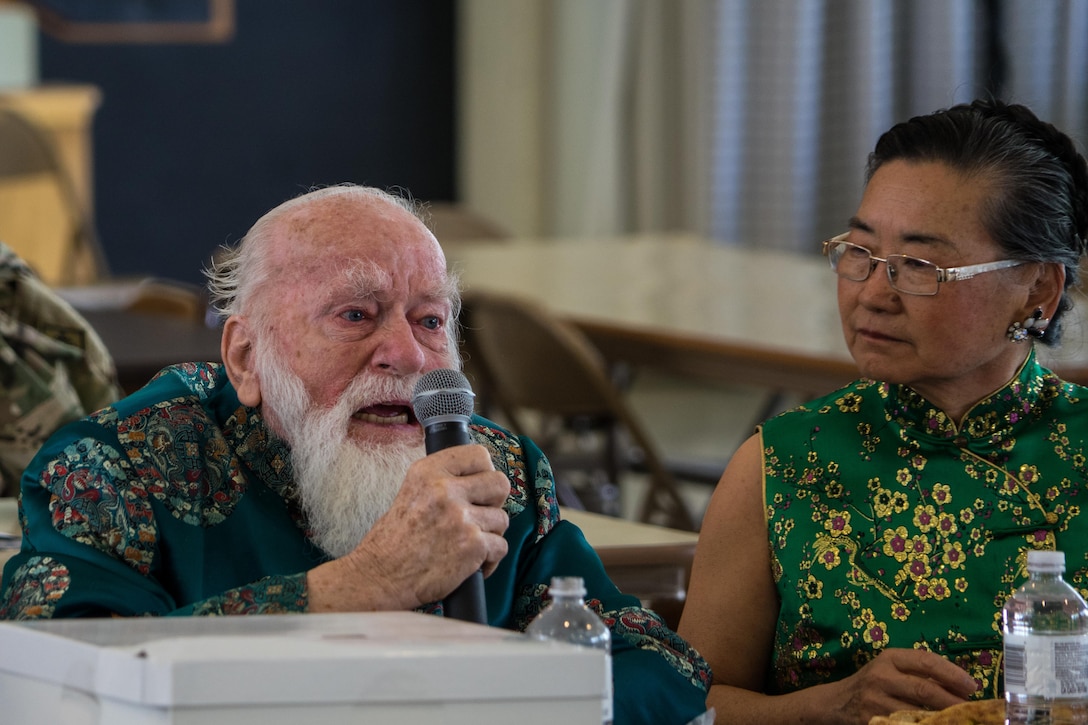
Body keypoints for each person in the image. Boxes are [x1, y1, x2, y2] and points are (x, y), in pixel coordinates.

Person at [0, 184, 711, 724]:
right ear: (247, 355)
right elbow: (66, 681)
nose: (406, 354)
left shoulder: (496, 471)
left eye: (430, 320)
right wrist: (360, 585)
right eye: (355, 315)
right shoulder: (112, 465)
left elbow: (663, 665)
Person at [678, 98, 1088, 724]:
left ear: (1037, 289)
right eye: (859, 252)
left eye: (920, 266)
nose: (872, 293)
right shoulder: (782, 464)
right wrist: (827, 707)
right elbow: (685, 702)